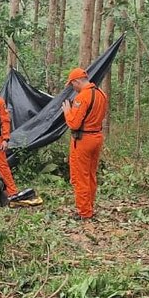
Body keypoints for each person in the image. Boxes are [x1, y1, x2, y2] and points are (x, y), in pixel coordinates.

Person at [62, 68, 108, 220]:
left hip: (83, 141)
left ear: (77, 81)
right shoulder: (101, 94)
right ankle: (89, 206)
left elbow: (74, 124)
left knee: (80, 177)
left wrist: (67, 111)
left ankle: (84, 212)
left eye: (72, 84)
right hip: (97, 137)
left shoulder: (82, 97)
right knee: (91, 175)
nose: (72, 88)